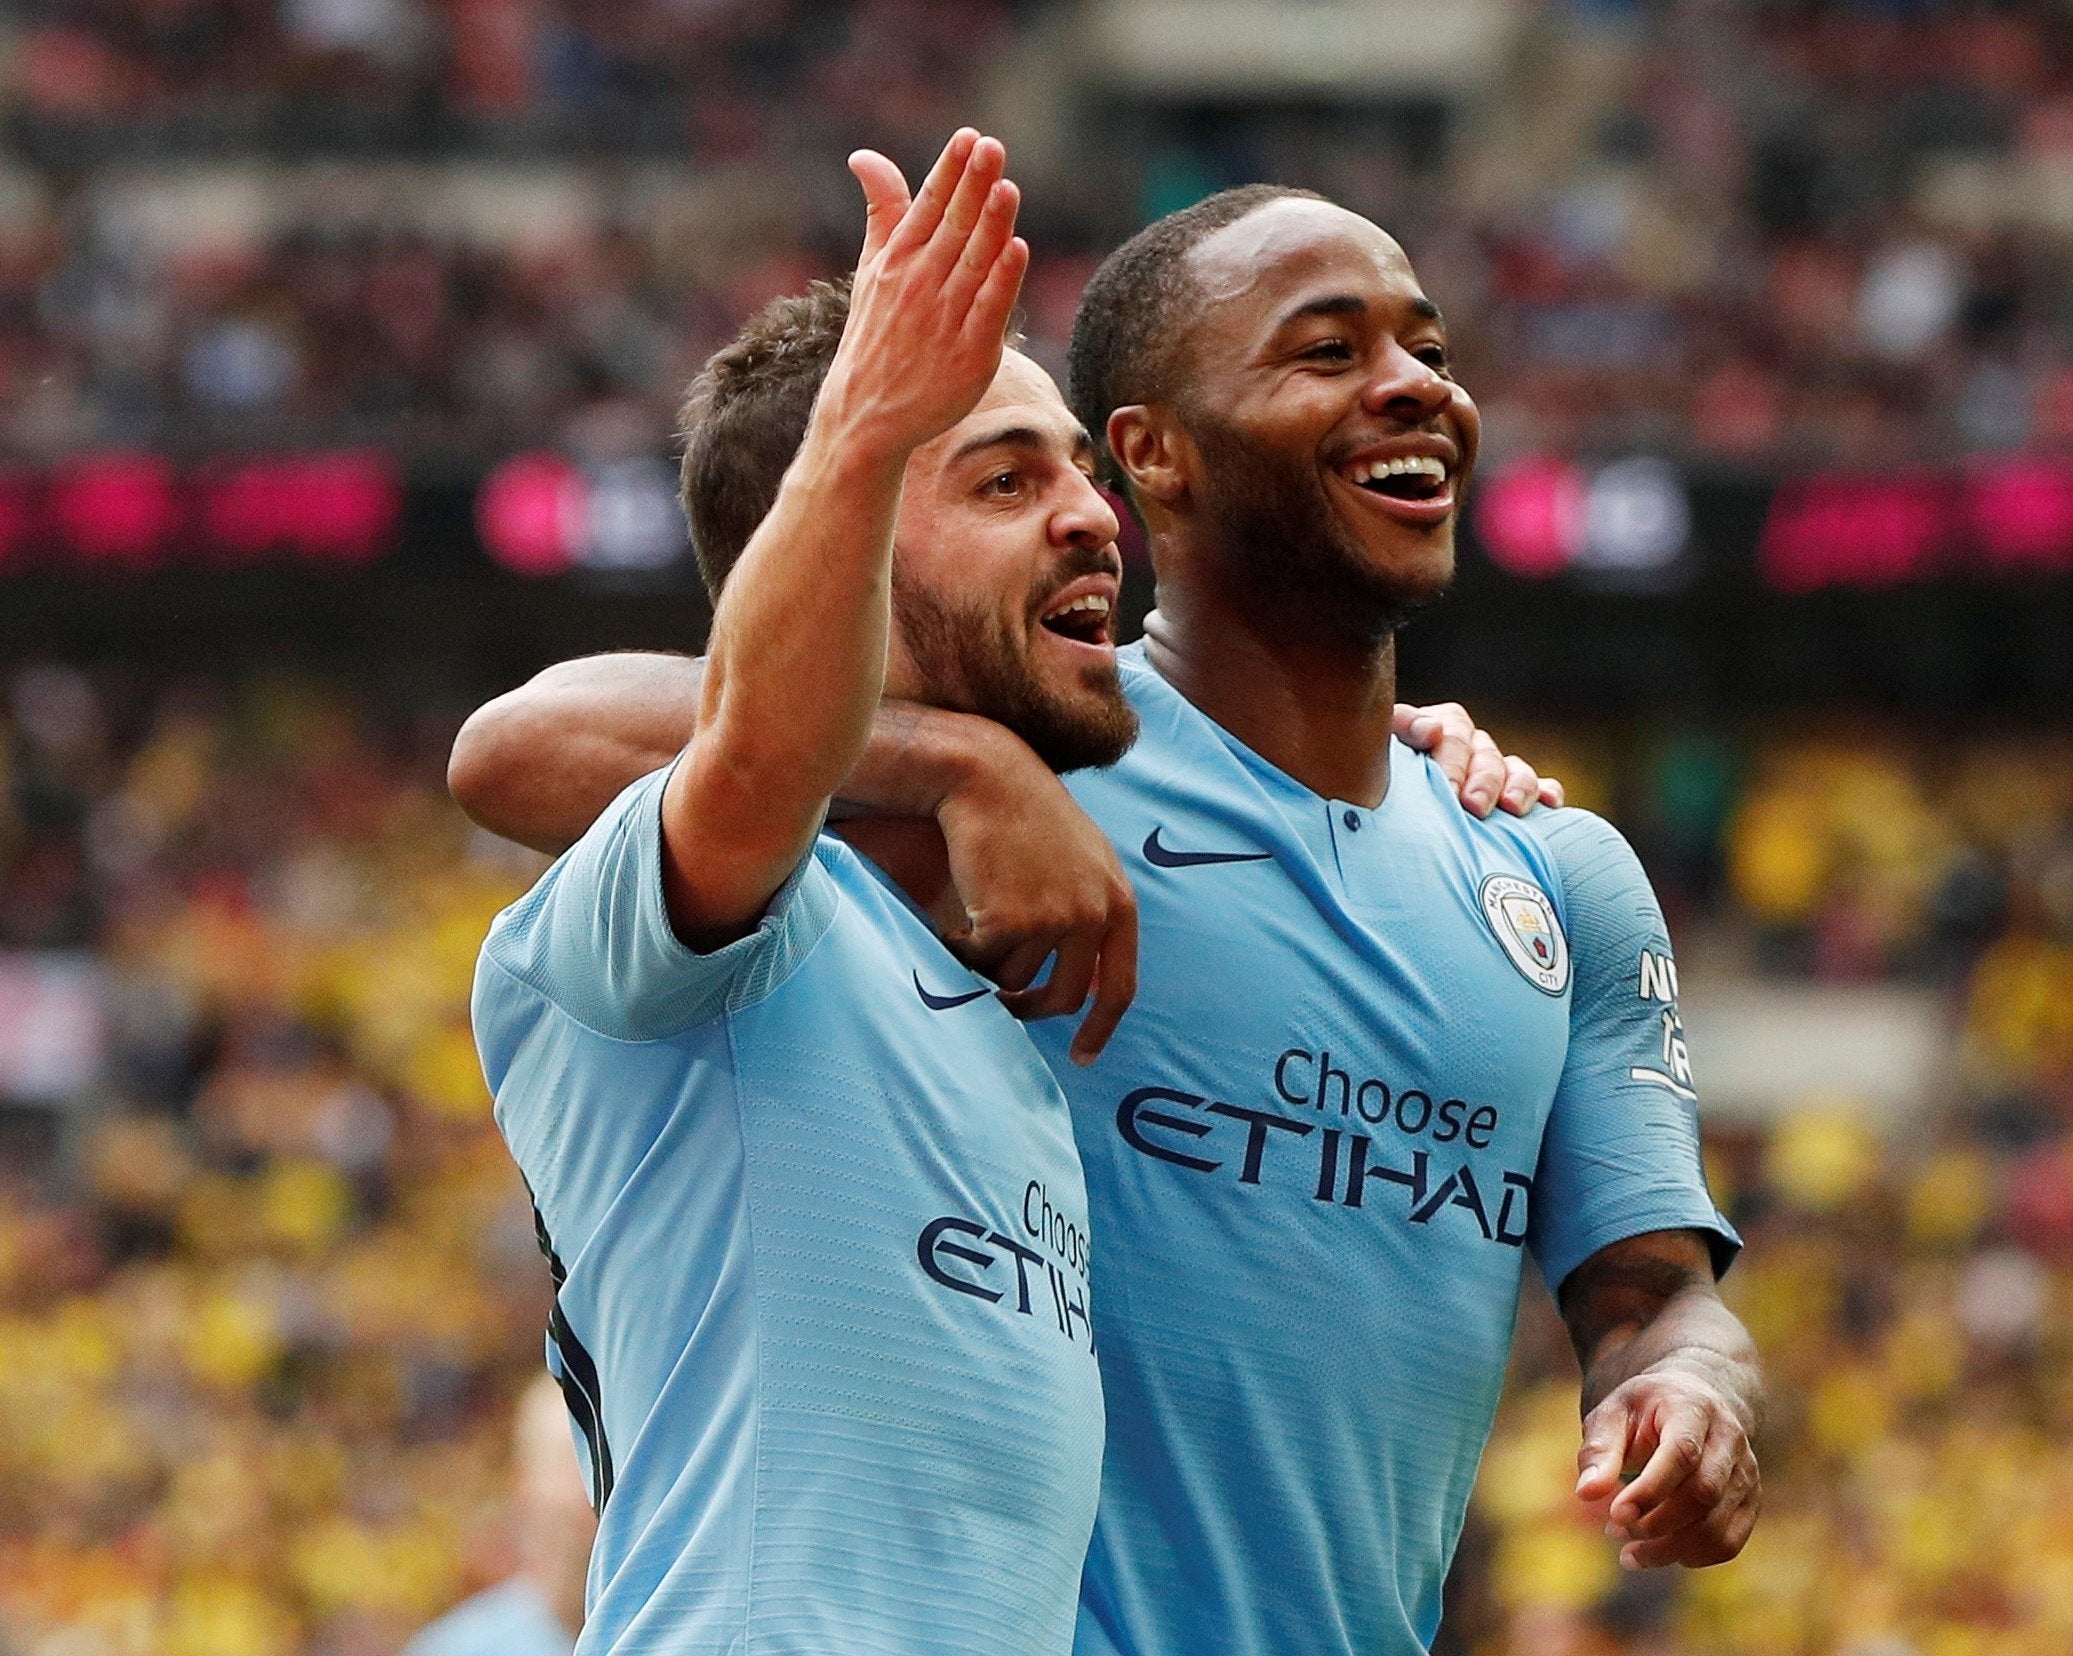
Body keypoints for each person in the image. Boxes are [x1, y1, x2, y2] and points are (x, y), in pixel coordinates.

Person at [453, 181, 1763, 1656]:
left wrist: (1692, 1384)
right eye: (1326, 351)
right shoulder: (985, 788)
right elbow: (531, 744)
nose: (1411, 385)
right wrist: (958, 757)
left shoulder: (1538, 867)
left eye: (1429, 347)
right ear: (1164, 455)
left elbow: (1656, 1296)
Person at [471, 131, 1118, 1655]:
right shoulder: (726, 938)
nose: (1095, 517)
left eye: (1082, 471)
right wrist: (861, 432)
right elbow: (674, 744)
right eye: (1006, 478)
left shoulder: (986, 998)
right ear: (833, 551)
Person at [401, 1376, 596, 1656]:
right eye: (576, 1460)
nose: (594, 1490)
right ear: (522, 1482)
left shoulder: (672, 1633)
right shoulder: (457, 1648)